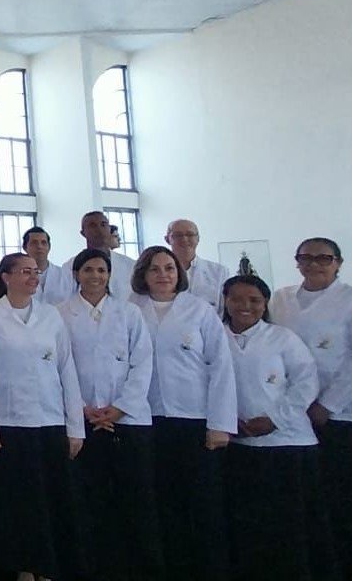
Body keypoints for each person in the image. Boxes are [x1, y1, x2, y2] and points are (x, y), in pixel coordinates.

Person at [270, 237, 352, 581]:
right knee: (319, 496)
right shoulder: (282, 299)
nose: (314, 264)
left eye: (323, 258)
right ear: (297, 262)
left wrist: (328, 403)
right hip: (298, 413)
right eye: (305, 258)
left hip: (351, 415)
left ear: (338, 263)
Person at [0, 253, 88, 581]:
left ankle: (48, 568)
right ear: (6, 277)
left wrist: (75, 426)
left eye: (35, 272)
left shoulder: (51, 315)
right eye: (25, 271)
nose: (32, 277)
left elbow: (66, 369)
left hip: (50, 421)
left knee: (50, 498)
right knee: (19, 502)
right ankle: (24, 568)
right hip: (9, 424)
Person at [129, 245, 236, 581]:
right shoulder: (131, 309)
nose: (163, 275)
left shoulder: (199, 310)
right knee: (159, 500)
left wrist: (219, 424)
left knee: (202, 502)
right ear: (143, 274)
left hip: (194, 419)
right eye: (155, 269)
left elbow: (220, 366)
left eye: (170, 268)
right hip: (146, 419)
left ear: (180, 273)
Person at [221, 274, 336, 581]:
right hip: (239, 445)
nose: (245, 306)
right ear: (225, 301)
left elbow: (306, 382)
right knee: (250, 526)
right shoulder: (216, 336)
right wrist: (227, 420)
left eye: (254, 300)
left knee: (291, 526)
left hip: (288, 445)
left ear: (265, 304)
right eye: (236, 299)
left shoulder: (282, 338)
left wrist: (275, 419)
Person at [57, 249, 162, 581]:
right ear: (76, 274)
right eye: (88, 269)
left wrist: (119, 408)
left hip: (127, 420)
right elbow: (61, 366)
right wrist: (81, 407)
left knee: (134, 499)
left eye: (102, 270)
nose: (95, 276)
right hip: (82, 420)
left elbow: (142, 362)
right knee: (88, 500)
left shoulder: (129, 312)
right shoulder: (60, 314)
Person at [165, 219, 230, 312]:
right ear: (167, 239)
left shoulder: (219, 272)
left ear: (198, 239)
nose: (184, 239)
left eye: (190, 234)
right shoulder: (157, 273)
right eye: (178, 235)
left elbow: (224, 310)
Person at [80, 211, 134, 297]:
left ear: (109, 228)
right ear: (83, 233)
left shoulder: (130, 264)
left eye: (103, 224)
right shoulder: (71, 267)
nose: (99, 229)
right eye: (92, 225)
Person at [22, 227, 73, 305]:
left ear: (49, 247)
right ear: (25, 247)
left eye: (43, 243)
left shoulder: (66, 275)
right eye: (34, 243)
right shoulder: (18, 276)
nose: (39, 246)